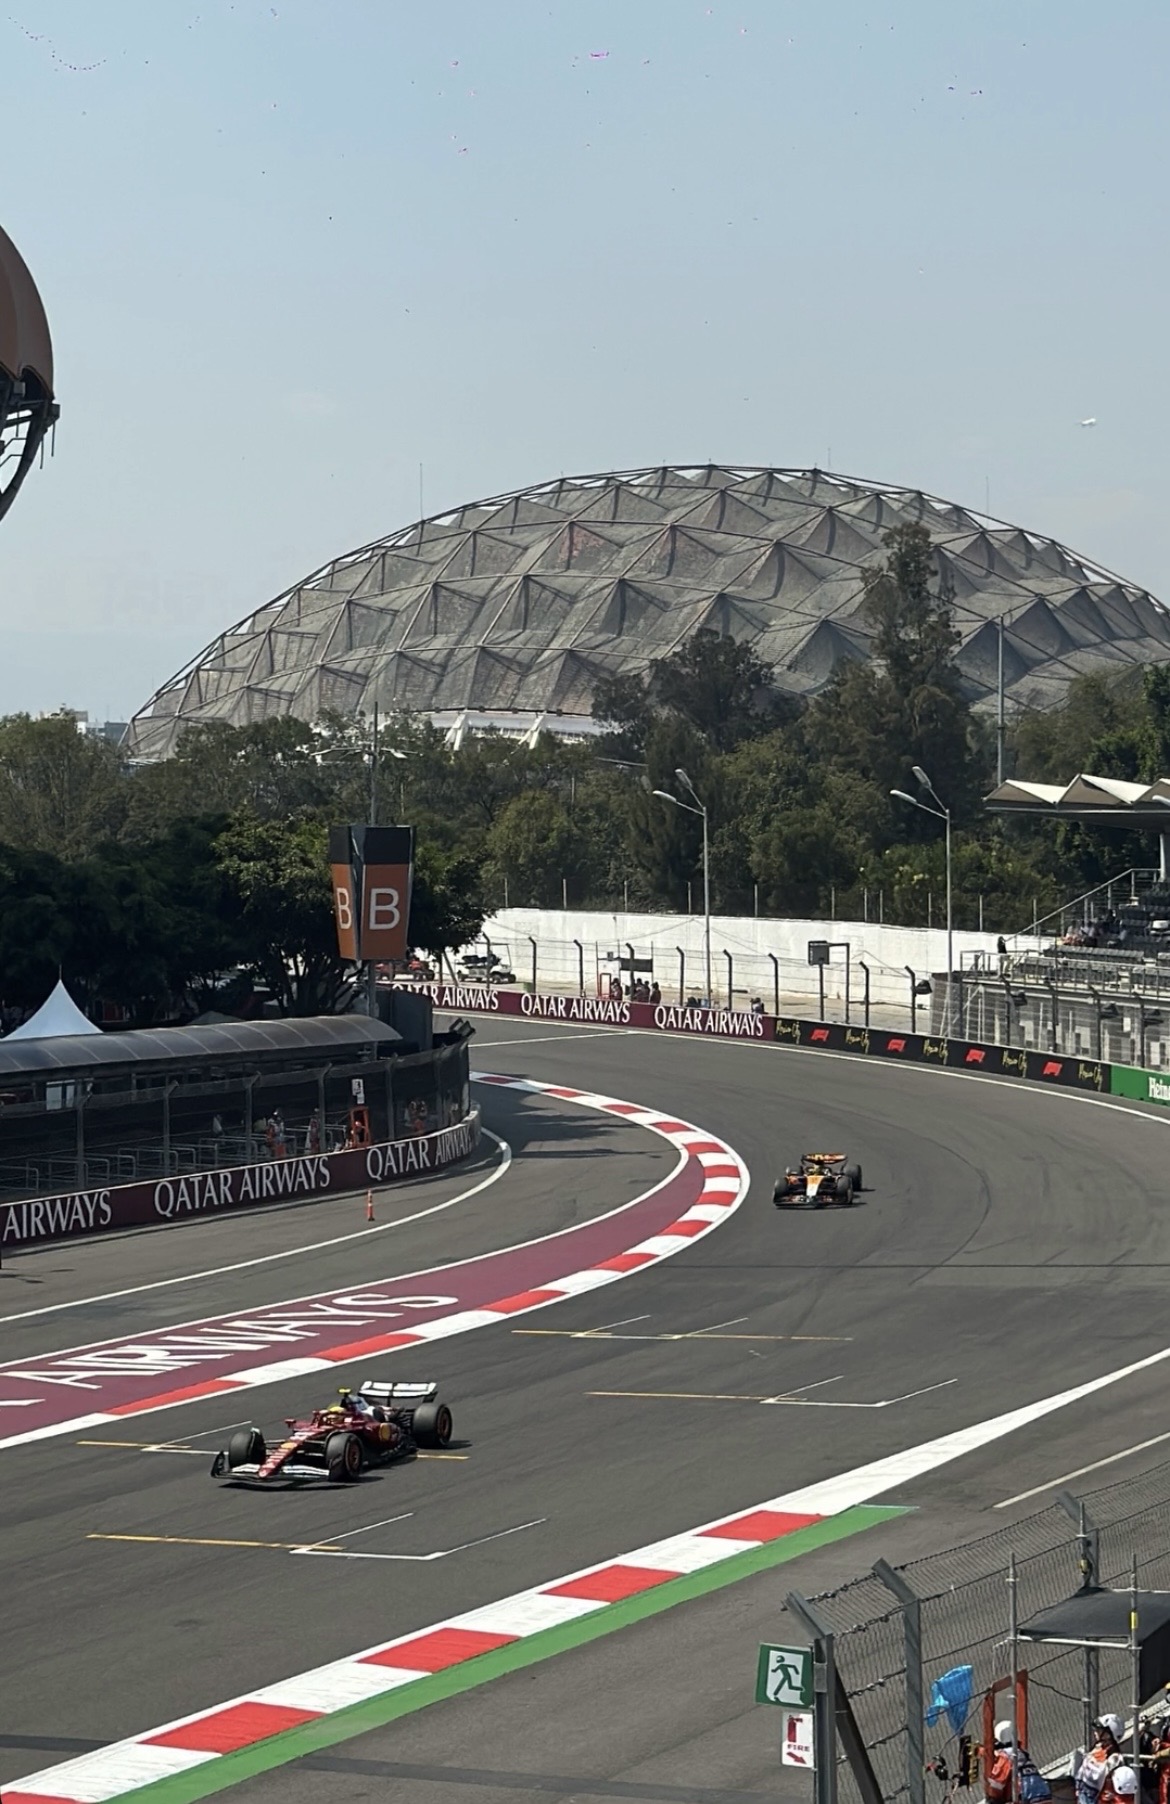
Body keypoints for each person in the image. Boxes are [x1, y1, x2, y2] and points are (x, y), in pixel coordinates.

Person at [1077, 1715, 1126, 1804]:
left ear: (1109, 1734)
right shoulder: (1098, 1747)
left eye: (1099, 1730)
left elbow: (1110, 1787)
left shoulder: (1114, 1759)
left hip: (1095, 1798)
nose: (1095, 1732)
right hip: (1083, 1793)